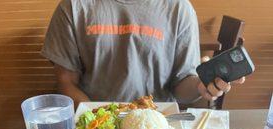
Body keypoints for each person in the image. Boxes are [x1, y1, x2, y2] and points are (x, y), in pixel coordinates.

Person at [42, 0, 245, 108]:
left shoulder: (179, 8)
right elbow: (66, 82)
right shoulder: (72, 6)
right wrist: (102, 121)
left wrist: (201, 85)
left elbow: (182, 88)